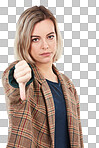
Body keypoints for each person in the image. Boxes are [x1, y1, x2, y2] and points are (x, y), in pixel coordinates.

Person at [2, 5, 84, 148]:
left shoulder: (68, 85)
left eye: (50, 37)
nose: (45, 45)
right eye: (35, 39)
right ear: (24, 42)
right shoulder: (25, 77)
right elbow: (13, 83)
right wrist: (17, 78)